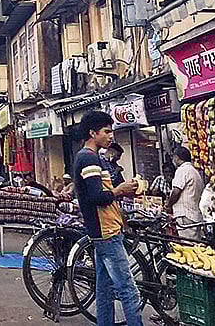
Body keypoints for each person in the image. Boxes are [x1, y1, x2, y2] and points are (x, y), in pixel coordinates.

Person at [74, 110, 142, 326]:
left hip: (104, 231)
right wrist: (120, 190)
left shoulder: (92, 158)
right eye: (106, 131)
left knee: (104, 290)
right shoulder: (88, 158)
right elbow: (97, 196)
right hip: (106, 232)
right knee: (128, 290)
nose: (111, 136)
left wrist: (122, 191)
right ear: (93, 133)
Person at [163, 146, 205, 241]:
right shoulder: (195, 172)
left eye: (174, 158)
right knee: (195, 244)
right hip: (194, 214)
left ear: (177, 158)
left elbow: (176, 191)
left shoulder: (182, 170)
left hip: (185, 215)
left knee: (187, 244)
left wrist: (169, 205)